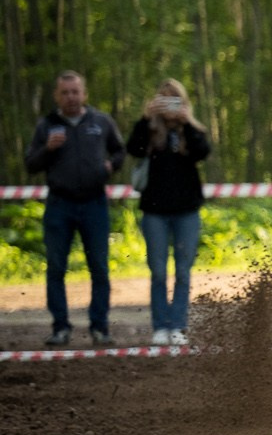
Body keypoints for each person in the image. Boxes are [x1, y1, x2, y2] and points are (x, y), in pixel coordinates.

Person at [24, 71, 126, 347]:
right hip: (60, 205)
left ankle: (100, 328)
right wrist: (47, 149)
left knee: (100, 268)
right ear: (57, 96)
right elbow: (31, 164)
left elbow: (120, 151)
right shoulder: (47, 125)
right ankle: (60, 328)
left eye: (75, 91)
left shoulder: (101, 121)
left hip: (95, 204)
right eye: (65, 92)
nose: (71, 97)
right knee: (56, 268)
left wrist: (111, 165)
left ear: (84, 94)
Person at [127, 79, 211, 346]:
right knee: (159, 271)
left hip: (187, 210)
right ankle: (160, 325)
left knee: (184, 271)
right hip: (155, 211)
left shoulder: (191, 130)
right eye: (163, 100)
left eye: (174, 100)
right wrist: (145, 119)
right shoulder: (149, 131)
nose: (169, 106)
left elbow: (202, 152)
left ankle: (178, 324)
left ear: (184, 103)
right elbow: (133, 149)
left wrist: (186, 122)